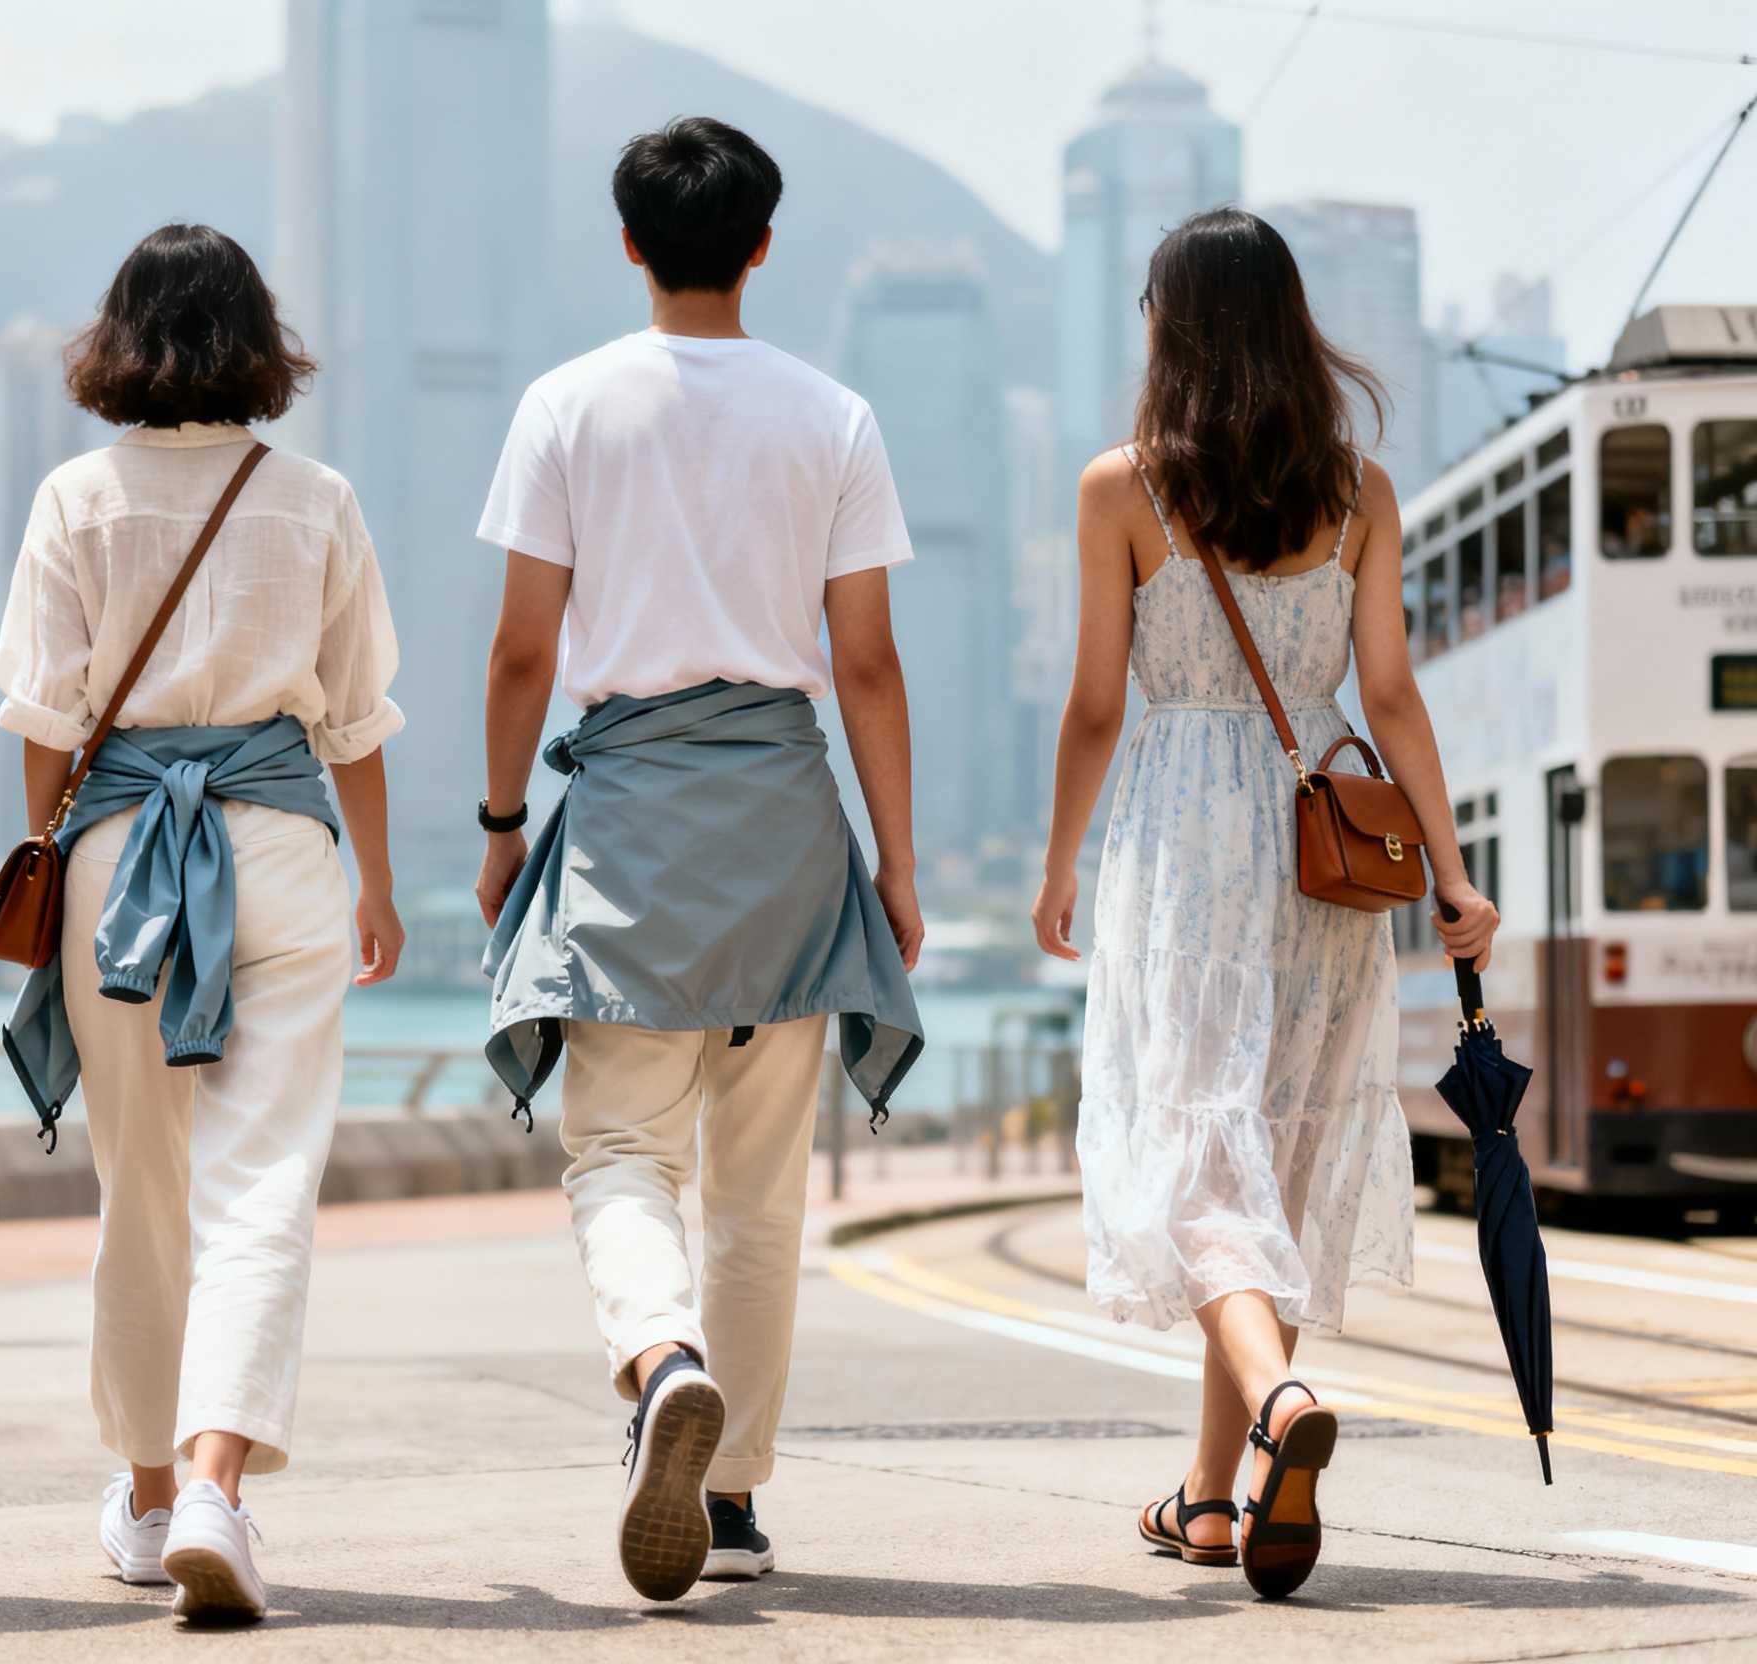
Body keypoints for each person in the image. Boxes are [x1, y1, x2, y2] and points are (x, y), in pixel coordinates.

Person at [474, 117, 925, 1603]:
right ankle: (729, 1502)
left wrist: (497, 830)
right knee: (762, 1188)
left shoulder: (565, 407)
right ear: (762, 246)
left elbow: (526, 646)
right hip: (789, 824)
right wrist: (898, 866)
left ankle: (660, 1357)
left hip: (630, 826)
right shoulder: (833, 416)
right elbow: (865, 666)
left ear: (628, 244)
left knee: (618, 1147)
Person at [1032, 207, 1499, 1601]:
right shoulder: (1358, 489)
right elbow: (1393, 694)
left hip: (1183, 840)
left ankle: (1282, 1408)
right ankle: (1214, 1500)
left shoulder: (1124, 488)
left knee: (1190, 1152)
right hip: (1321, 849)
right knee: (1268, 1153)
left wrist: (1061, 862)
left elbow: (1098, 703)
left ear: (1169, 329)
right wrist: (1456, 875)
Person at [0, 223, 405, 1626]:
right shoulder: (316, 499)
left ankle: (152, 1493)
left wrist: (53, 856)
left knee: (143, 1190)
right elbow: (355, 720)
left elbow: (46, 726)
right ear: (255, 341)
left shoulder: (74, 497)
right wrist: (384, 889)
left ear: (120, 340)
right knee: (262, 1183)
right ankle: (221, 1484)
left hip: (115, 865)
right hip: (283, 848)